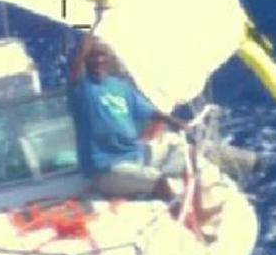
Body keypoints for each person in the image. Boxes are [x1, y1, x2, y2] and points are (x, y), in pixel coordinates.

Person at [66, 33, 190, 200]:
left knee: (188, 154)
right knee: (160, 182)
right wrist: (92, 24)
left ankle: (194, 202)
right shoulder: (82, 89)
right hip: (108, 169)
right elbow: (77, 64)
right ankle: (180, 218)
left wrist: (174, 121)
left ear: (109, 58)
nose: (98, 60)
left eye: (102, 55)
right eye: (92, 56)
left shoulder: (120, 87)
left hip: (134, 155)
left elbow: (148, 111)